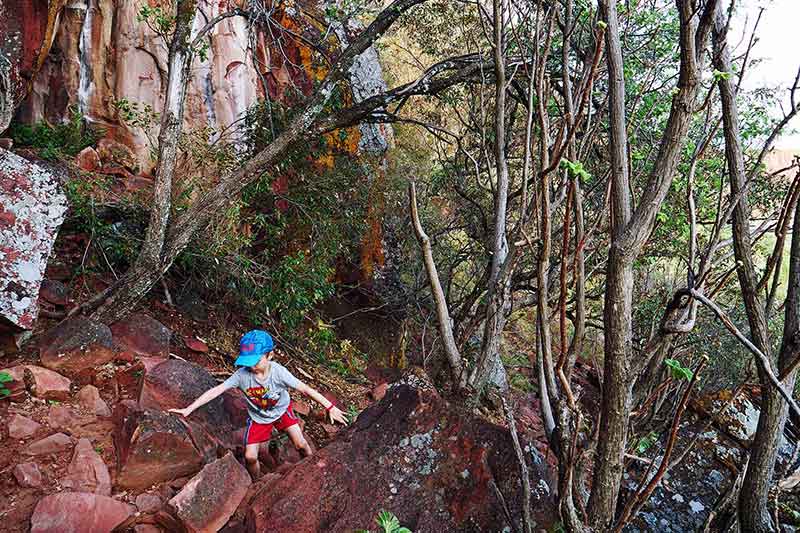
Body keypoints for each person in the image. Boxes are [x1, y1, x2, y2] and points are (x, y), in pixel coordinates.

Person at [169, 329, 347, 479]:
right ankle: (258, 483)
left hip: (282, 411)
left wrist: (329, 407)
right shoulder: (241, 375)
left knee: (300, 444)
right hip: (259, 418)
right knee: (250, 457)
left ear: (270, 355)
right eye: (248, 362)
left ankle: (313, 467)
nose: (252, 366)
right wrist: (189, 408)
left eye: (256, 361)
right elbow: (217, 390)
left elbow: (305, 389)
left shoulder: (279, 372)